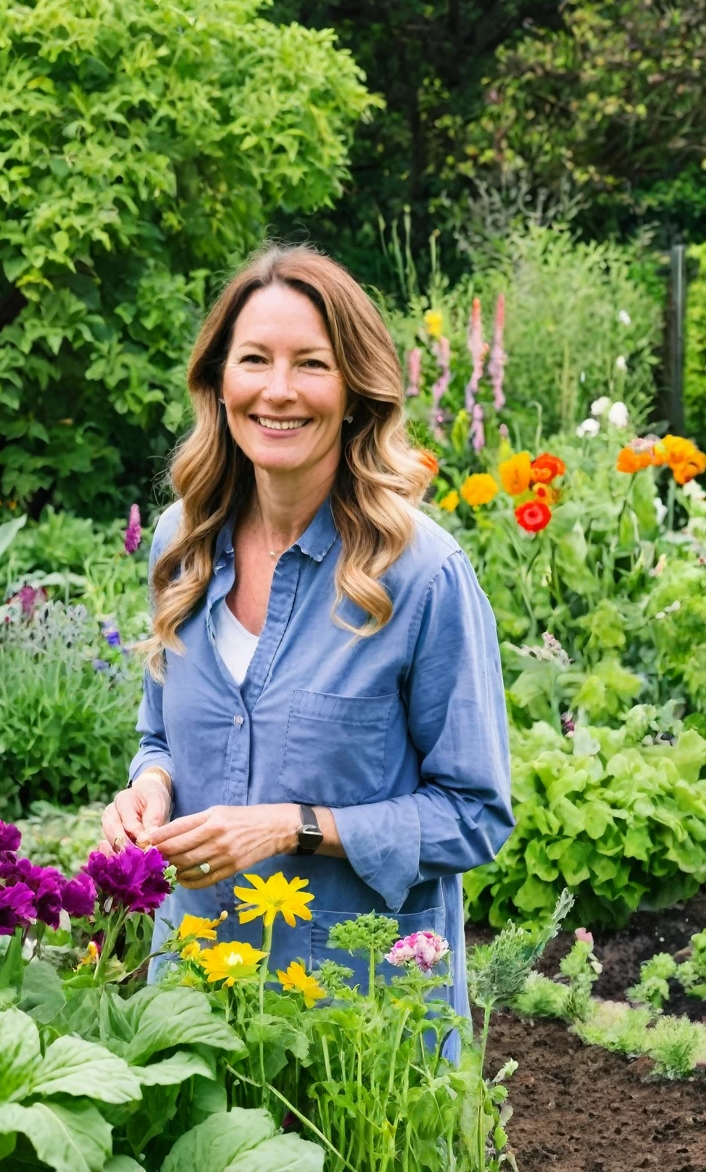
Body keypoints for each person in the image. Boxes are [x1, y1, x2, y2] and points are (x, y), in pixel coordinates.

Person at [99, 242, 513, 1038]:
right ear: (221, 382)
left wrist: (294, 826)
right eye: (255, 359)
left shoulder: (421, 576)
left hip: (358, 1025)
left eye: (312, 364)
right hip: (192, 992)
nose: (278, 391)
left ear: (355, 390)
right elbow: (159, 737)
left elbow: (475, 815)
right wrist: (148, 787)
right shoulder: (182, 543)